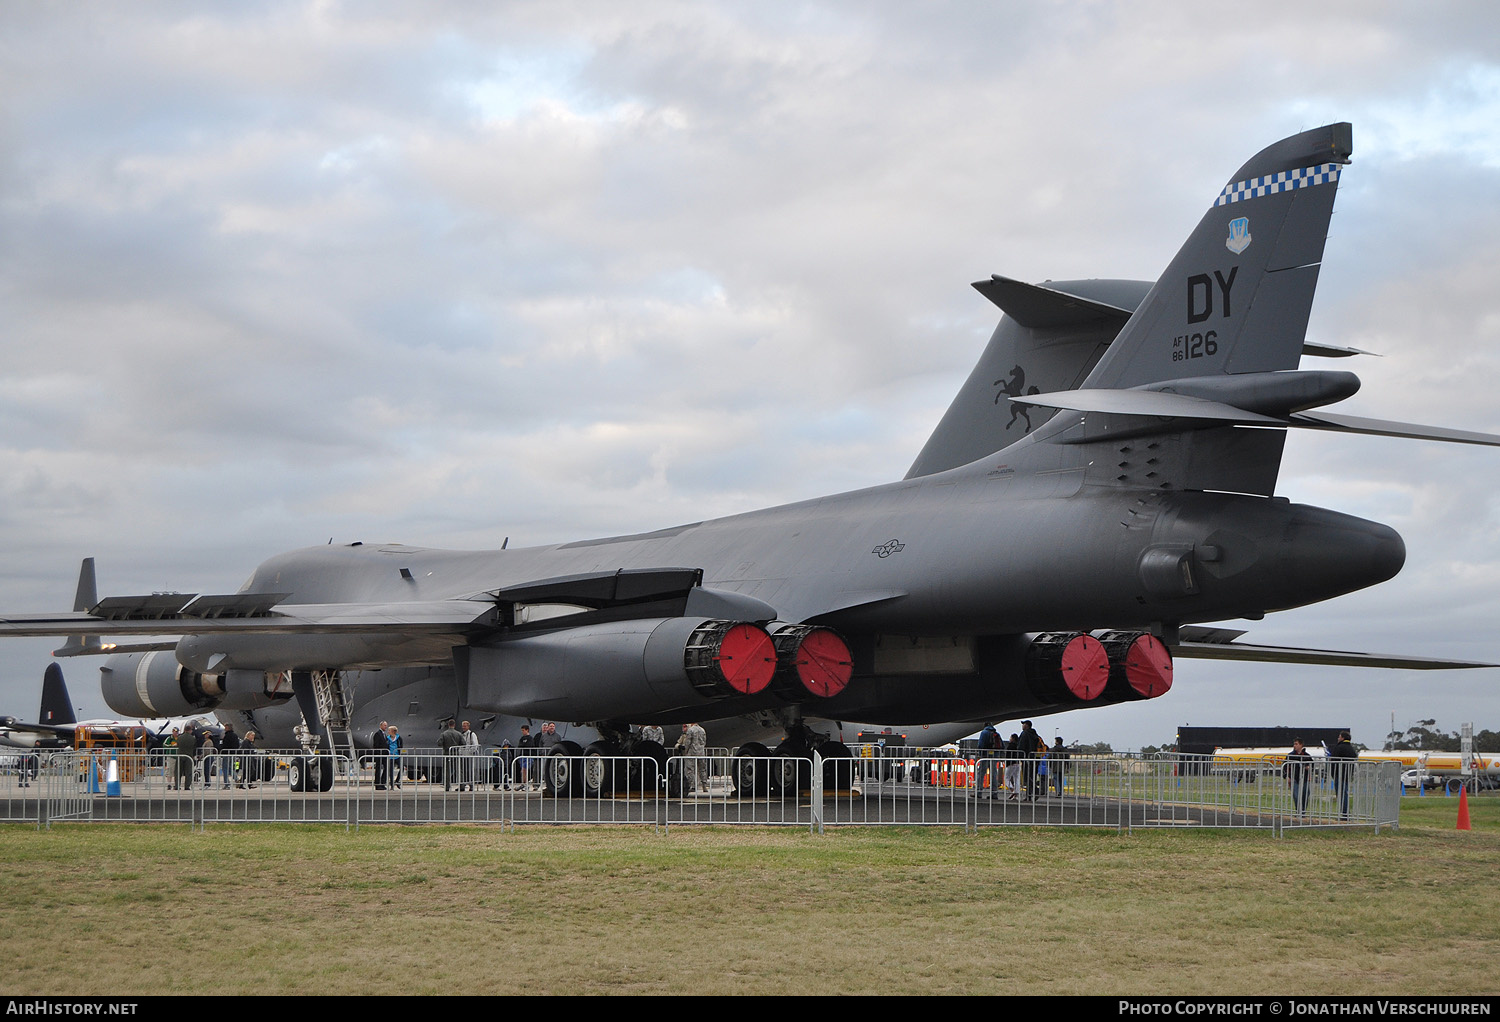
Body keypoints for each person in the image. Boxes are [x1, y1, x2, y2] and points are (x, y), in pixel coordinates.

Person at [1328, 730, 1357, 820]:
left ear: (1343, 738)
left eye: (1339, 737)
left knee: (1341, 794)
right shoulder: (1352, 749)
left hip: (1339, 774)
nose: (1338, 738)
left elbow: (1333, 760)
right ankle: (1346, 813)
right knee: (1345, 793)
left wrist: (1333, 773)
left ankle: (1345, 814)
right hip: (1347, 775)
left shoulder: (1339, 747)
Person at [675, 722, 708, 795]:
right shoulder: (702, 730)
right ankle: (704, 785)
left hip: (691, 752)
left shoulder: (690, 730)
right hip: (701, 752)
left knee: (689, 769)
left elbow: (688, 742)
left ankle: (691, 785)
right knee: (702, 769)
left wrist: (686, 751)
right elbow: (704, 742)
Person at [1284, 738, 1312, 817]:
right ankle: (1299, 811)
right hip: (1294, 778)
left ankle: (1303, 812)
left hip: (1305, 779)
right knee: (1296, 795)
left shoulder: (1307, 756)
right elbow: (1285, 766)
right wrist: (1286, 776)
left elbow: (1312, 764)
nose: (1294, 746)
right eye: (1294, 744)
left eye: (1296, 744)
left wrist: (1309, 767)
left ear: (1301, 745)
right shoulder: (1291, 755)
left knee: (1305, 794)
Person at [1016, 720, 1042, 800]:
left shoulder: (1025, 734)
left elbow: (1021, 746)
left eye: (1023, 724)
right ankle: (1029, 796)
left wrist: (1019, 756)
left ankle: (1035, 791)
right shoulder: (1035, 734)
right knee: (1031, 776)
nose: (1022, 726)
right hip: (1034, 758)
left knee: (1027, 777)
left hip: (1026, 757)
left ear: (1026, 725)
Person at [975, 723, 1000, 799]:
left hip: (985, 756)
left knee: (981, 774)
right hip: (994, 756)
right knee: (993, 775)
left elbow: (980, 745)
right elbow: (1001, 745)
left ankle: (979, 792)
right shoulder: (996, 733)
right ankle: (994, 793)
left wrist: (980, 754)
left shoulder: (984, 732)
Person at [439, 719, 463, 791]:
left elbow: (439, 743)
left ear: (448, 725)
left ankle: (447, 786)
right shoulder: (458, 734)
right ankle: (462, 785)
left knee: (447, 771)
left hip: (447, 754)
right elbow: (464, 743)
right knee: (459, 770)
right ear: (454, 725)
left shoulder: (444, 734)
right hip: (456, 754)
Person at [176, 724, 198, 791]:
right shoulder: (192, 738)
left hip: (180, 755)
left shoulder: (179, 738)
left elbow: (178, 745)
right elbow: (194, 747)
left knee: (178, 772)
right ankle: (187, 786)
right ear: (190, 730)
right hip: (189, 756)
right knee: (188, 772)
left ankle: (177, 785)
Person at [219, 724, 240, 789]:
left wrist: (221, 751)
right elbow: (237, 745)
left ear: (228, 728)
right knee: (231, 768)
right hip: (233, 754)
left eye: (225, 727)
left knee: (225, 768)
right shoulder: (235, 735)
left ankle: (227, 784)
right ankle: (236, 778)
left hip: (226, 754)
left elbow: (224, 745)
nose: (225, 728)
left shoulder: (227, 736)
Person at [517, 724, 537, 790]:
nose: (522, 732)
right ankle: (523, 783)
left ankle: (526, 784)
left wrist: (524, 745)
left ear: (527, 730)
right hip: (522, 755)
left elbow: (529, 745)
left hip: (528, 756)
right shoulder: (522, 738)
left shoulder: (530, 738)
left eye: (523, 730)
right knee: (522, 770)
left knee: (525, 770)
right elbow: (520, 745)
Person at [461, 721, 480, 792]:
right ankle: (462, 785)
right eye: (463, 726)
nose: (463, 727)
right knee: (463, 771)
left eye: (465, 726)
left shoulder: (472, 734)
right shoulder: (461, 734)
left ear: (468, 727)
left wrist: (469, 752)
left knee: (469, 771)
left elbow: (475, 745)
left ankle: (471, 785)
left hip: (469, 756)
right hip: (463, 756)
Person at [370, 720, 390, 789]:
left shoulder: (385, 734)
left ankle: (382, 783)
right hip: (379, 754)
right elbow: (376, 744)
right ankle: (378, 784)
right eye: (384, 725)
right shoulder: (377, 734)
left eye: (386, 725)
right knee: (378, 769)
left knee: (386, 768)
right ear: (381, 726)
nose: (386, 727)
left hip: (385, 754)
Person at [1004, 734, 1022, 800]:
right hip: (1018, 763)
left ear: (1013, 738)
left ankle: (1012, 790)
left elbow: (1008, 755)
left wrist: (1007, 763)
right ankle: (1016, 794)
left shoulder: (1010, 746)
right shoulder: (1019, 745)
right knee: (1016, 778)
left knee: (1006, 778)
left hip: (1011, 763)